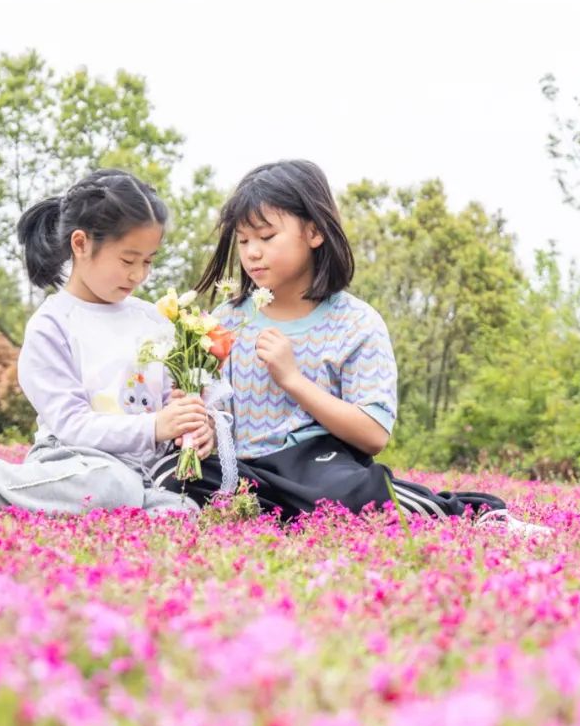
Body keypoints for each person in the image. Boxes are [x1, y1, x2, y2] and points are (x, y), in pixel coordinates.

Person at [151, 159, 547, 533]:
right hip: (241, 468)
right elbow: (214, 410)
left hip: (317, 466)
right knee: (171, 473)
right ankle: (279, 514)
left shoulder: (355, 323)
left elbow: (373, 435)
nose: (252, 252)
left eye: (267, 237)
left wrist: (293, 380)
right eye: (243, 240)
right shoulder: (226, 320)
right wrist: (200, 425)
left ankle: (475, 514)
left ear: (314, 233)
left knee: (349, 494)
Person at [0, 169, 215, 518]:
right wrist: (154, 426)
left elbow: (171, 400)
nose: (138, 274)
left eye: (148, 261)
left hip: (142, 472)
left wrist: (194, 423)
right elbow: (73, 425)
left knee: (181, 511)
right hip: (72, 458)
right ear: (80, 244)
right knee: (113, 486)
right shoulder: (53, 324)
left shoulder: (152, 319)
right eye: (127, 260)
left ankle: (6, 508)